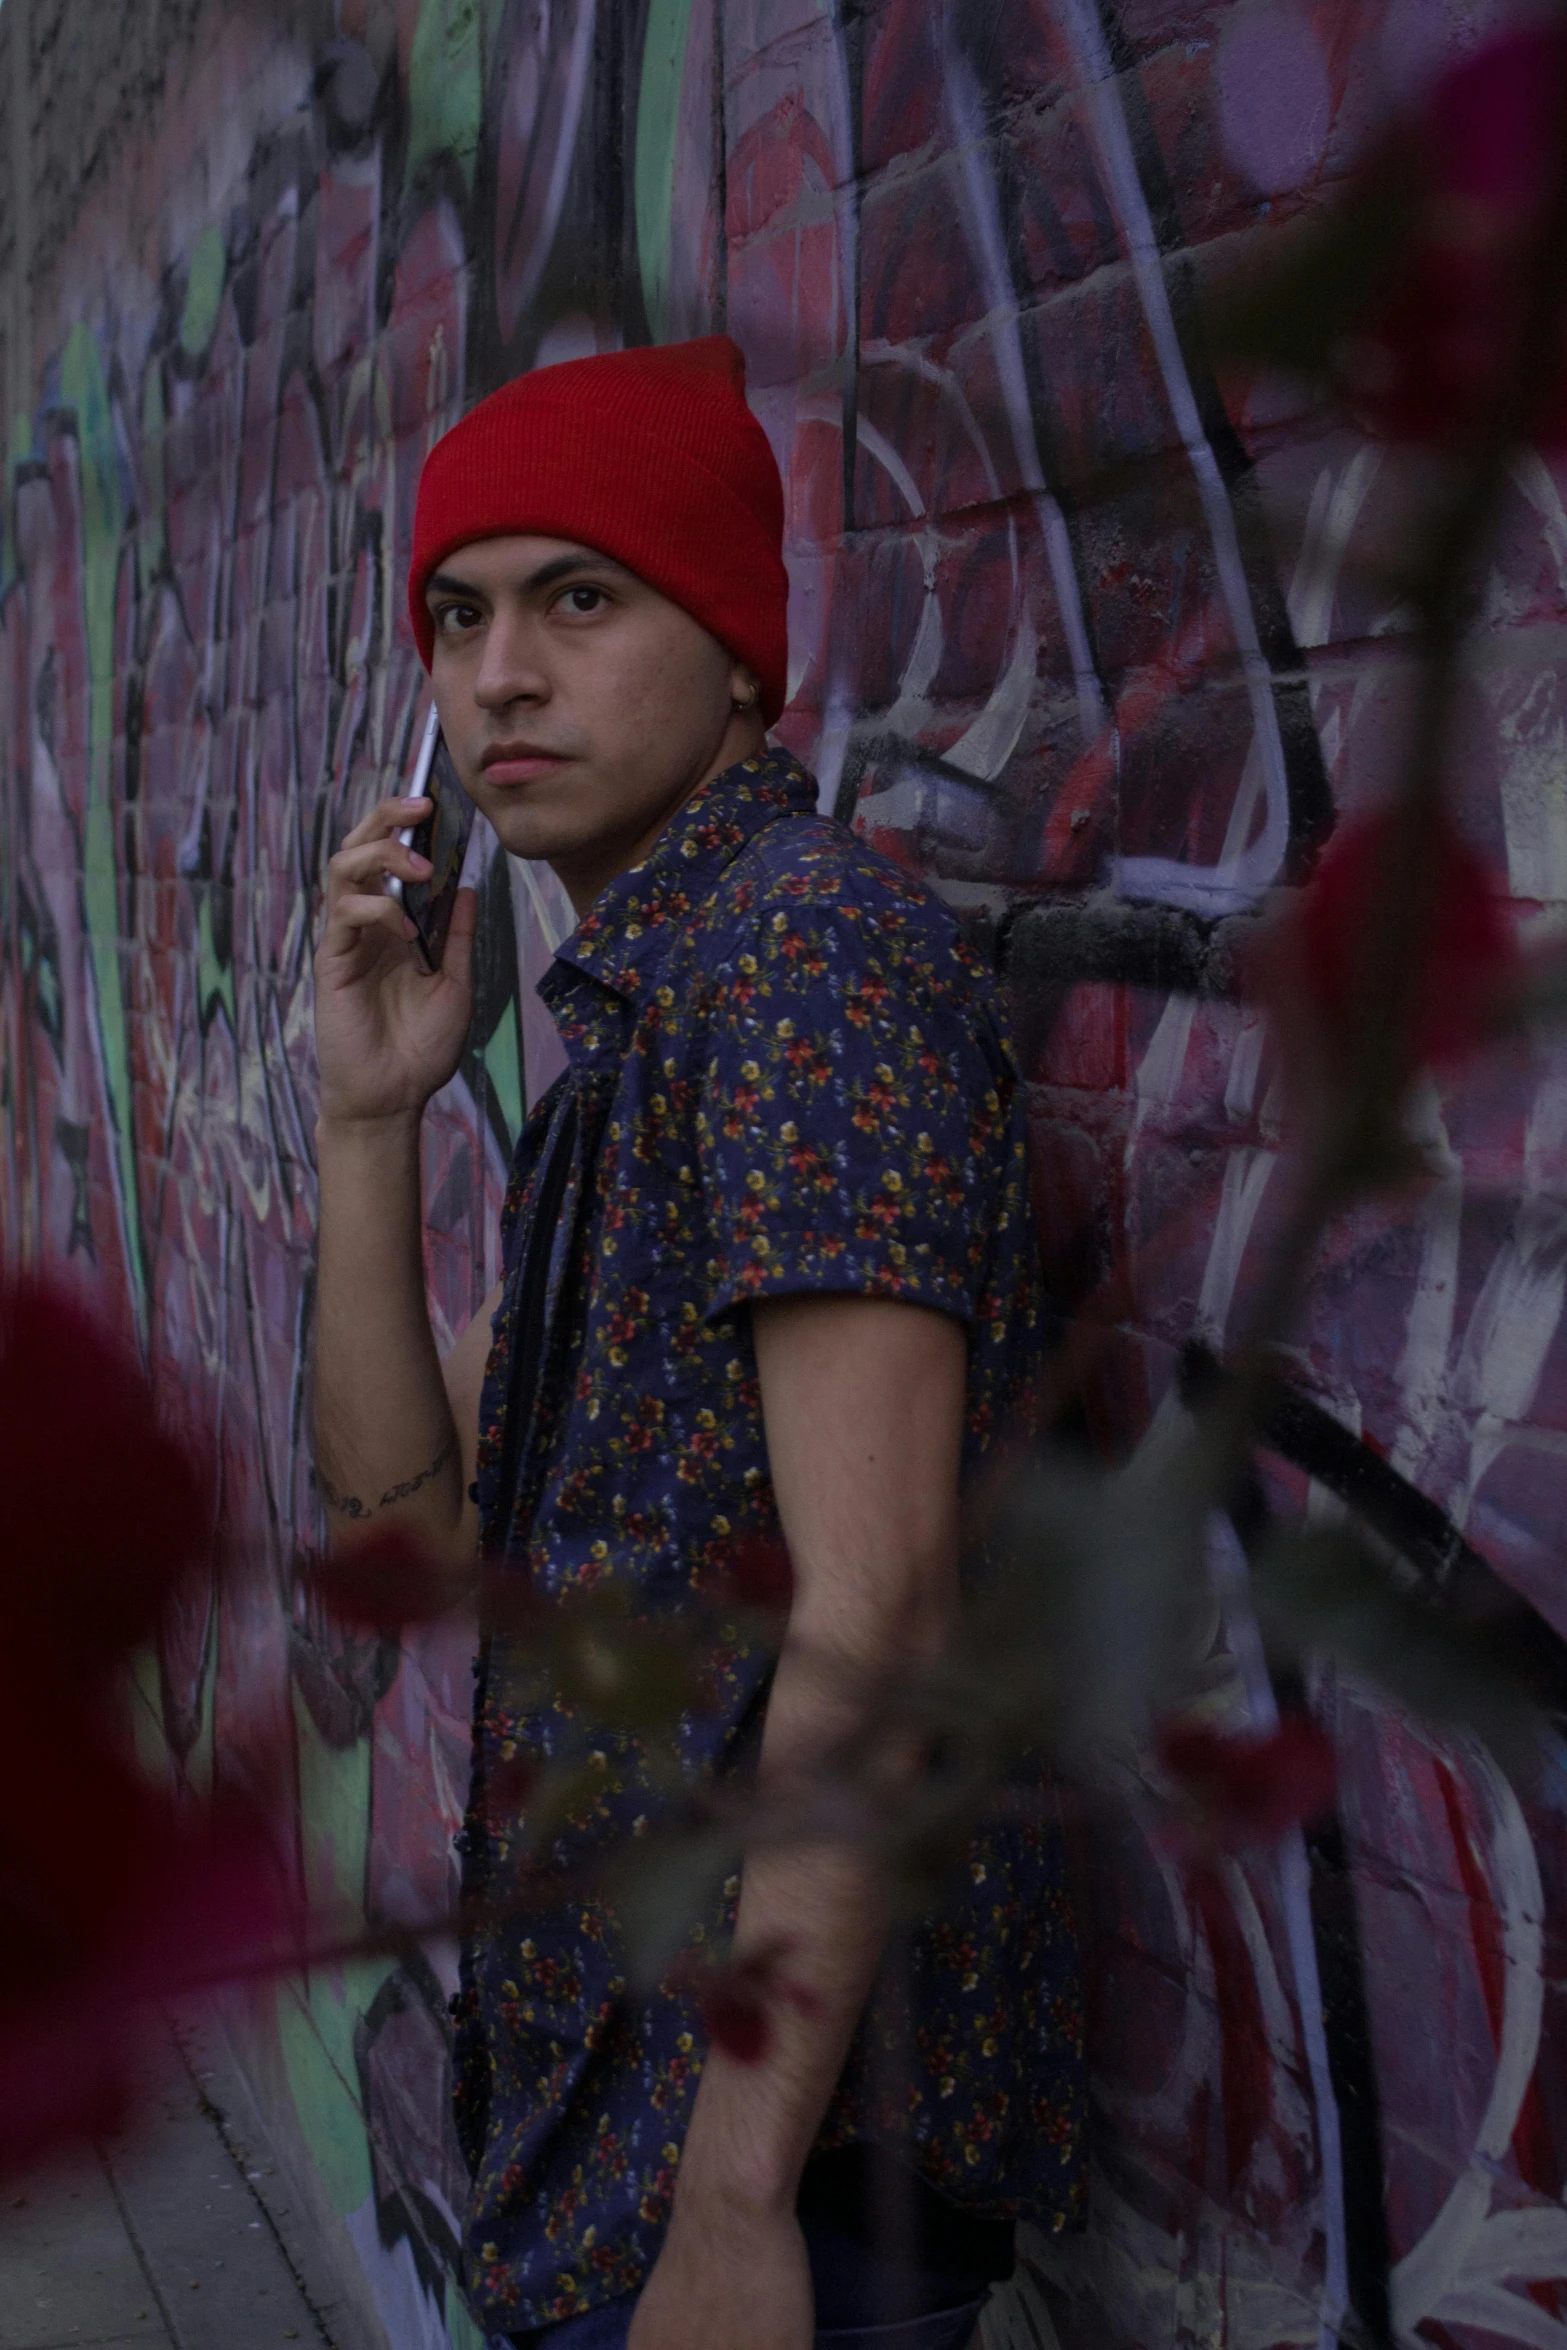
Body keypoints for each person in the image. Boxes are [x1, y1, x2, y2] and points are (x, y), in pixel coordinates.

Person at [310, 336, 1084, 2350]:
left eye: (581, 598)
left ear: (740, 653)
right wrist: (372, 1117)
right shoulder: (646, 1020)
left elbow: (877, 1607)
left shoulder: (799, 971)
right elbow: (401, 1526)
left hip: (775, 2171)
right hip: (628, 2133)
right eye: (459, 616)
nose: (500, 676)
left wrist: (732, 2203)